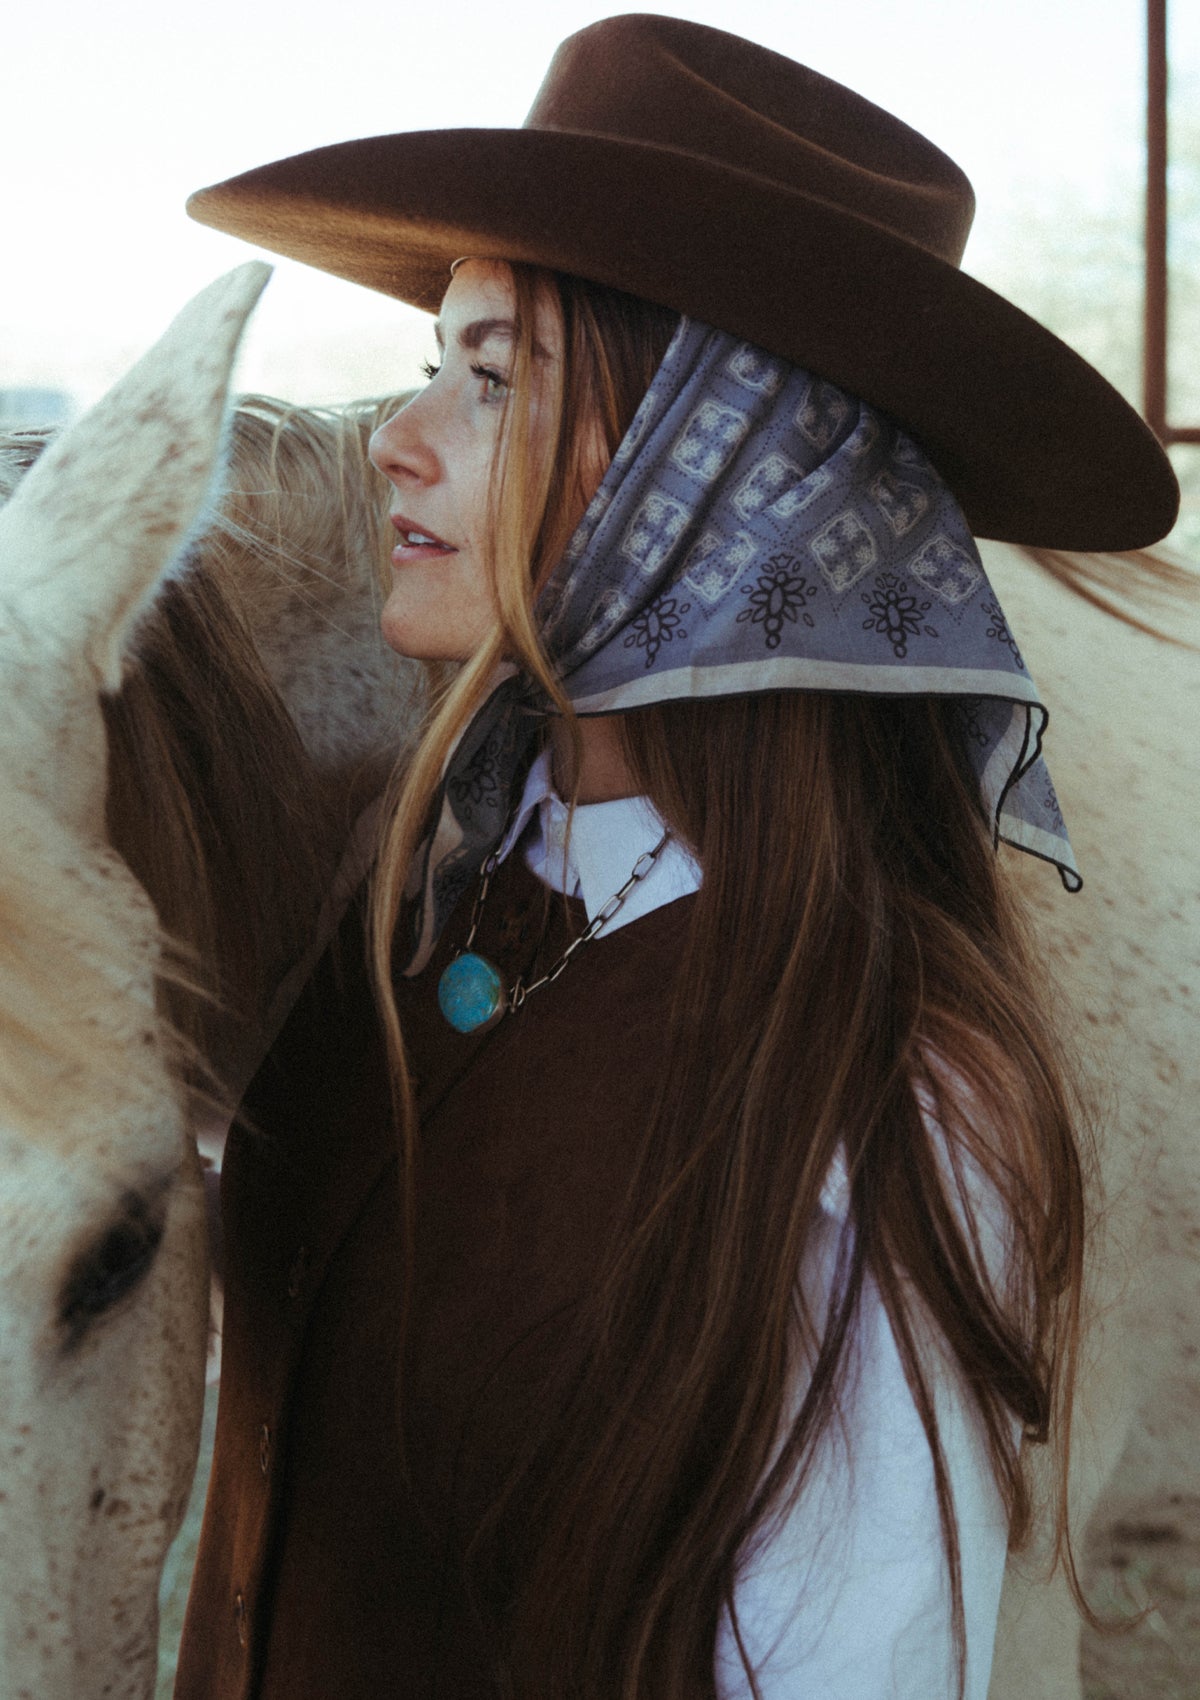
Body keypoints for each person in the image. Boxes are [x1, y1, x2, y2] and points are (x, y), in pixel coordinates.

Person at [177, 15, 1178, 1700]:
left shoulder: (885, 1107)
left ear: (728, 491)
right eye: (435, 363)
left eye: (493, 378)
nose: (397, 438)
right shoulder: (422, 892)